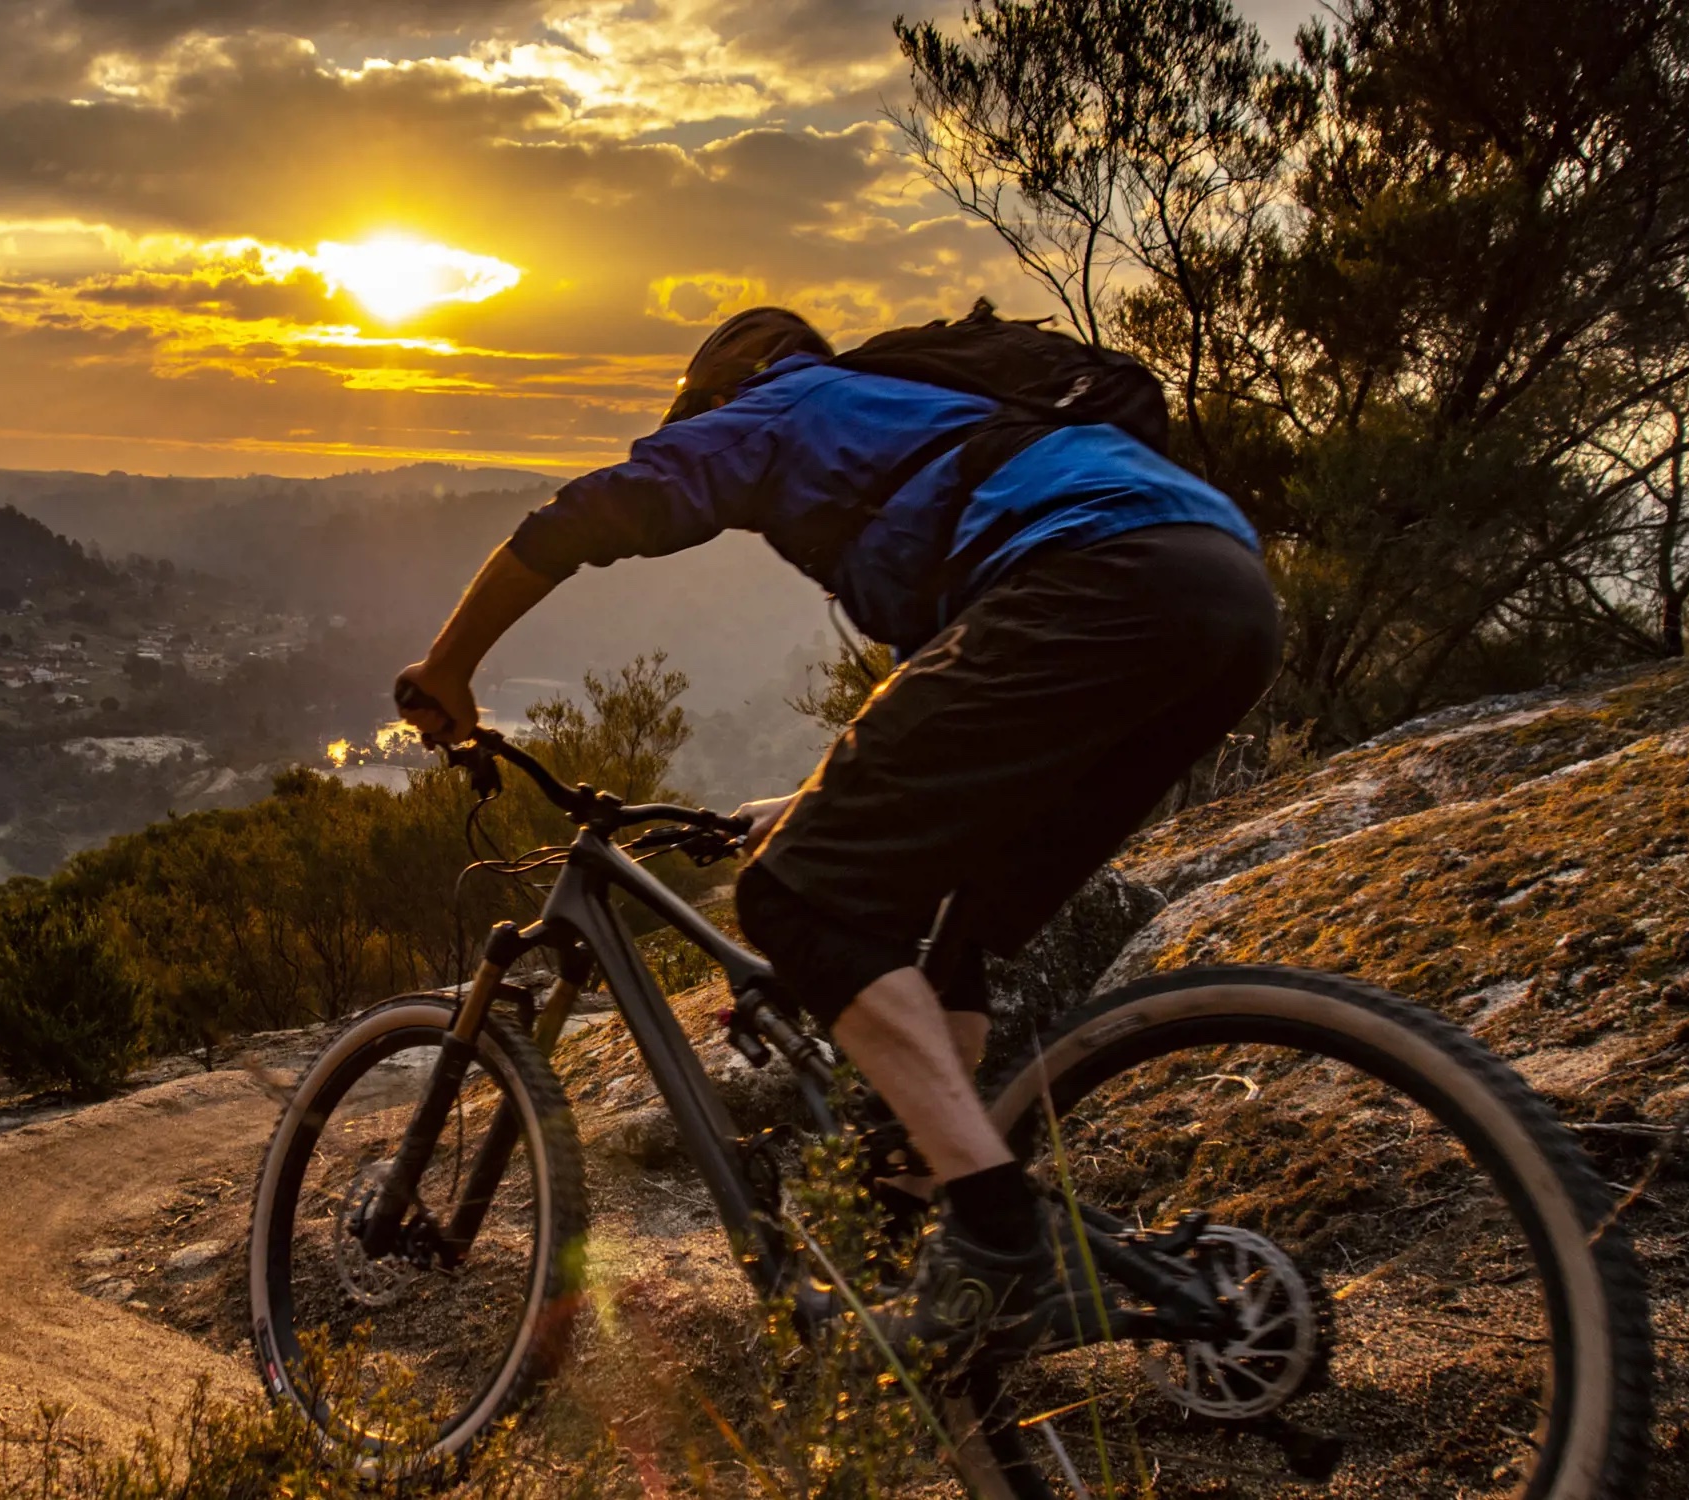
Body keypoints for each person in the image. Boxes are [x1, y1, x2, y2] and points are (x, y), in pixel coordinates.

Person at [393, 305, 1281, 1359]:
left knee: (789, 896)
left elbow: (582, 519)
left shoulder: (777, 406)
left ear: (722, 389)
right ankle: (932, 1228)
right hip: (1224, 595)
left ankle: (999, 1239)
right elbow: (957, 681)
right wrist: (816, 797)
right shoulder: (918, 412)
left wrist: (449, 667)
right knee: (956, 921)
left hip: (1093, 580)